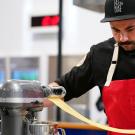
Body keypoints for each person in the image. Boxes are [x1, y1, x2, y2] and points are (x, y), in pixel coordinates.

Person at [44, 0, 135, 135]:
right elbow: (64, 87)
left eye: (130, 29)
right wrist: (28, 99)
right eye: (115, 30)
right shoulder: (99, 54)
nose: (123, 38)